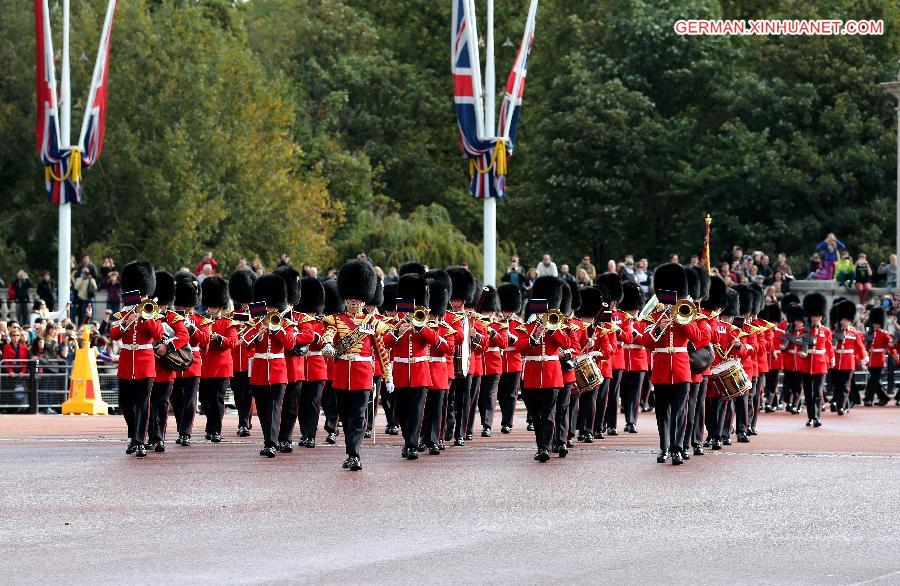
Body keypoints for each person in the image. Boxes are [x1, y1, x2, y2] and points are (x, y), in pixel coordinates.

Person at [321, 260, 393, 471]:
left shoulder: (373, 324)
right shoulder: (334, 320)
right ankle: (350, 450)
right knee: (345, 416)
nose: (353, 304)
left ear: (363, 302)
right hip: (342, 375)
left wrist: (387, 376)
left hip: (362, 375)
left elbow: (381, 351)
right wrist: (327, 344)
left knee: (358, 416)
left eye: (357, 301)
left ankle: (354, 454)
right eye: (350, 301)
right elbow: (329, 334)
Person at [635, 263, 707, 465]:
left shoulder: (686, 315)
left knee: (680, 411)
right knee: (662, 412)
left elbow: (699, 338)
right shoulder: (656, 316)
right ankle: (664, 448)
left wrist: (684, 322)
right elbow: (644, 341)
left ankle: (677, 448)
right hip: (661, 369)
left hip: (682, 369)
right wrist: (659, 328)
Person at [384, 274, 447, 460]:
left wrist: (422, 328)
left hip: (420, 374)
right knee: (402, 412)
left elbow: (443, 347)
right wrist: (397, 331)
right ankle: (407, 440)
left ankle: (411, 445)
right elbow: (384, 344)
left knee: (417, 411)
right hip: (401, 373)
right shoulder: (396, 323)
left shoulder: (427, 324)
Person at [110, 261, 164, 457]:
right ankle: (134, 435)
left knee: (143, 403)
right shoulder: (123, 313)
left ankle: (140, 441)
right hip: (126, 362)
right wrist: (127, 322)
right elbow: (114, 334)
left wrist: (147, 317)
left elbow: (158, 333)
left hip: (145, 362)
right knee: (124, 403)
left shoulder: (152, 312)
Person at [513, 276, 570, 462]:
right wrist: (534, 335)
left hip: (552, 374)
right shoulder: (527, 326)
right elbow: (519, 346)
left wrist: (552, 329)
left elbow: (567, 343)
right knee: (535, 414)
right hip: (531, 374)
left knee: (548, 413)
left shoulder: (557, 325)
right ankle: (542, 443)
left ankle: (544, 447)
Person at [246, 273, 296, 458]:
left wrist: (277, 329)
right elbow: (245, 343)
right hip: (259, 370)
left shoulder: (285, 323)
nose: (269, 309)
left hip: (277, 371)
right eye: (267, 305)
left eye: (273, 305)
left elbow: (290, 344)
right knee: (263, 410)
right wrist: (258, 333)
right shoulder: (256, 321)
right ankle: (269, 439)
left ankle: (271, 443)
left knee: (275, 407)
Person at [146, 271, 190, 452]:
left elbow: (184, 335)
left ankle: (159, 438)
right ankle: (150, 436)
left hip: (164, 369)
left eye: (164, 304)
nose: (162, 307)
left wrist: (167, 346)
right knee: (148, 405)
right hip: (148, 368)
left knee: (162, 405)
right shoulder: (146, 314)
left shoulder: (173, 317)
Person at [171, 272, 211, 446]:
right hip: (174, 360)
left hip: (193, 362)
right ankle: (181, 427)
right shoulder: (172, 318)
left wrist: (192, 329)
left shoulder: (201, 320)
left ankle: (186, 432)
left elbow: (205, 340)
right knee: (177, 400)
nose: (186, 308)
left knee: (190, 399)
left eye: (188, 305)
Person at [198, 276, 238, 447]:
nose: (210, 309)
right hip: (206, 367)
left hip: (221, 368)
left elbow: (232, 343)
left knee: (217, 400)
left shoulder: (229, 323)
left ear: (221, 306)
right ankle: (210, 426)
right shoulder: (203, 322)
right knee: (206, 400)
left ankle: (216, 430)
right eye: (209, 306)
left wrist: (217, 338)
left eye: (213, 306)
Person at [444, 266, 476, 446]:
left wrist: (475, 335)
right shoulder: (445, 316)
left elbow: (483, 344)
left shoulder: (471, 318)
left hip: (465, 365)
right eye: (453, 299)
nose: (455, 303)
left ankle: (460, 434)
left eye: (458, 300)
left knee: (464, 402)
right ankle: (449, 425)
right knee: (447, 399)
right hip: (449, 365)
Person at [295, 276, 328, 448]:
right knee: (302, 402)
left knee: (314, 402)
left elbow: (327, 342)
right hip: (301, 366)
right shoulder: (298, 322)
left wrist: (316, 337)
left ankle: (311, 434)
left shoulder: (322, 324)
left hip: (316, 367)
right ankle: (303, 432)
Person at [228, 269, 257, 437]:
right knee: (238, 394)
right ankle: (244, 420)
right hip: (235, 360)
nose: (246, 303)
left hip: (250, 360)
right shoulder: (233, 316)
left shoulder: (258, 316)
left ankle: (243, 423)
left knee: (247, 393)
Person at [799, 293, 833, 427]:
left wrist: (832, 359)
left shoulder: (826, 331)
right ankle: (810, 417)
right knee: (808, 393)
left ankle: (817, 417)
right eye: (813, 315)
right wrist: (802, 353)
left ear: (821, 316)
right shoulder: (804, 330)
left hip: (820, 364)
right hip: (807, 364)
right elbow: (798, 346)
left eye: (817, 315)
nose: (815, 318)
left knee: (818, 393)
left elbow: (829, 347)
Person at [829, 300, 866, 415]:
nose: (844, 321)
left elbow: (860, 348)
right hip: (836, 362)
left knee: (845, 386)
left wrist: (863, 360)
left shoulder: (854, 333)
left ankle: (841, 406)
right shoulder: (834, 333)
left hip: (848, 362)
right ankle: (846, 404)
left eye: (846, 320)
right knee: (837, 385)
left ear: (850, 320)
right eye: (843, 319)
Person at [495, 283, 523, 435]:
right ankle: (505, 418)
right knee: (500, 394)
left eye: (507, 310)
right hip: (500, 361)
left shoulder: (519, 325)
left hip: (514, 361)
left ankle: (507, 423)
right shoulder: (496, 323)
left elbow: (523, 344)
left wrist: (513, 339)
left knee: (511, 394)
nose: (505, 312)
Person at [864, 307, 892, 406]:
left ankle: (868, 399)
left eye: (877, 323)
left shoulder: (884, 334)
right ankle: (884, 398)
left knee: (872, 380)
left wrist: (893, 352)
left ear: (880, 323)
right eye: (874, 323)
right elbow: (867, 347)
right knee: (876, 381)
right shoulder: (870, 334)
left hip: (879, 359)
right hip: (871, 359)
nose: (875, 325)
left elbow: (889, 345)